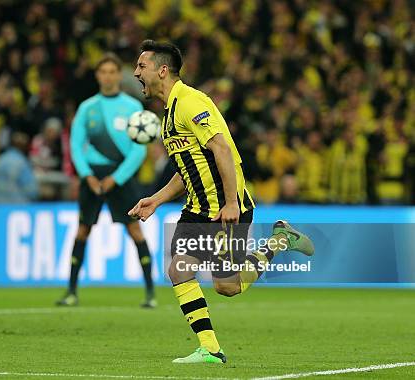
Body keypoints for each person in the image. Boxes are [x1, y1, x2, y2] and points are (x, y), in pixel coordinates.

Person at [129, 40, 314, 364]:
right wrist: (156, 200)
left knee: (227, 287)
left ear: (161, 70)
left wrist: (231, 203)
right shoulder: (169, 115)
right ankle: (210, 348)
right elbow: (188, 171)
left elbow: (222, 149)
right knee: (179, 270)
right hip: (197, 208)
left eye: (141, 66)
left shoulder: (190, 102)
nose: (135, 72)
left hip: (224, 208)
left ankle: (279, 240)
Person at [56, 53, 156, 308]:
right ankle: (71, 291)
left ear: (119, 76)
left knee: (135, 229)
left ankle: (150, 293)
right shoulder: (87, 107)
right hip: (93, 175)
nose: (108, 76)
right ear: (97, 76)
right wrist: (87, 175)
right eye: (104, 72)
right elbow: (76, 146)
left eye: (113, 72)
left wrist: (117, 178)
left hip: (120, 176)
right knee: (82, 230)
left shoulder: (133, 107)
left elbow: (139, 150)